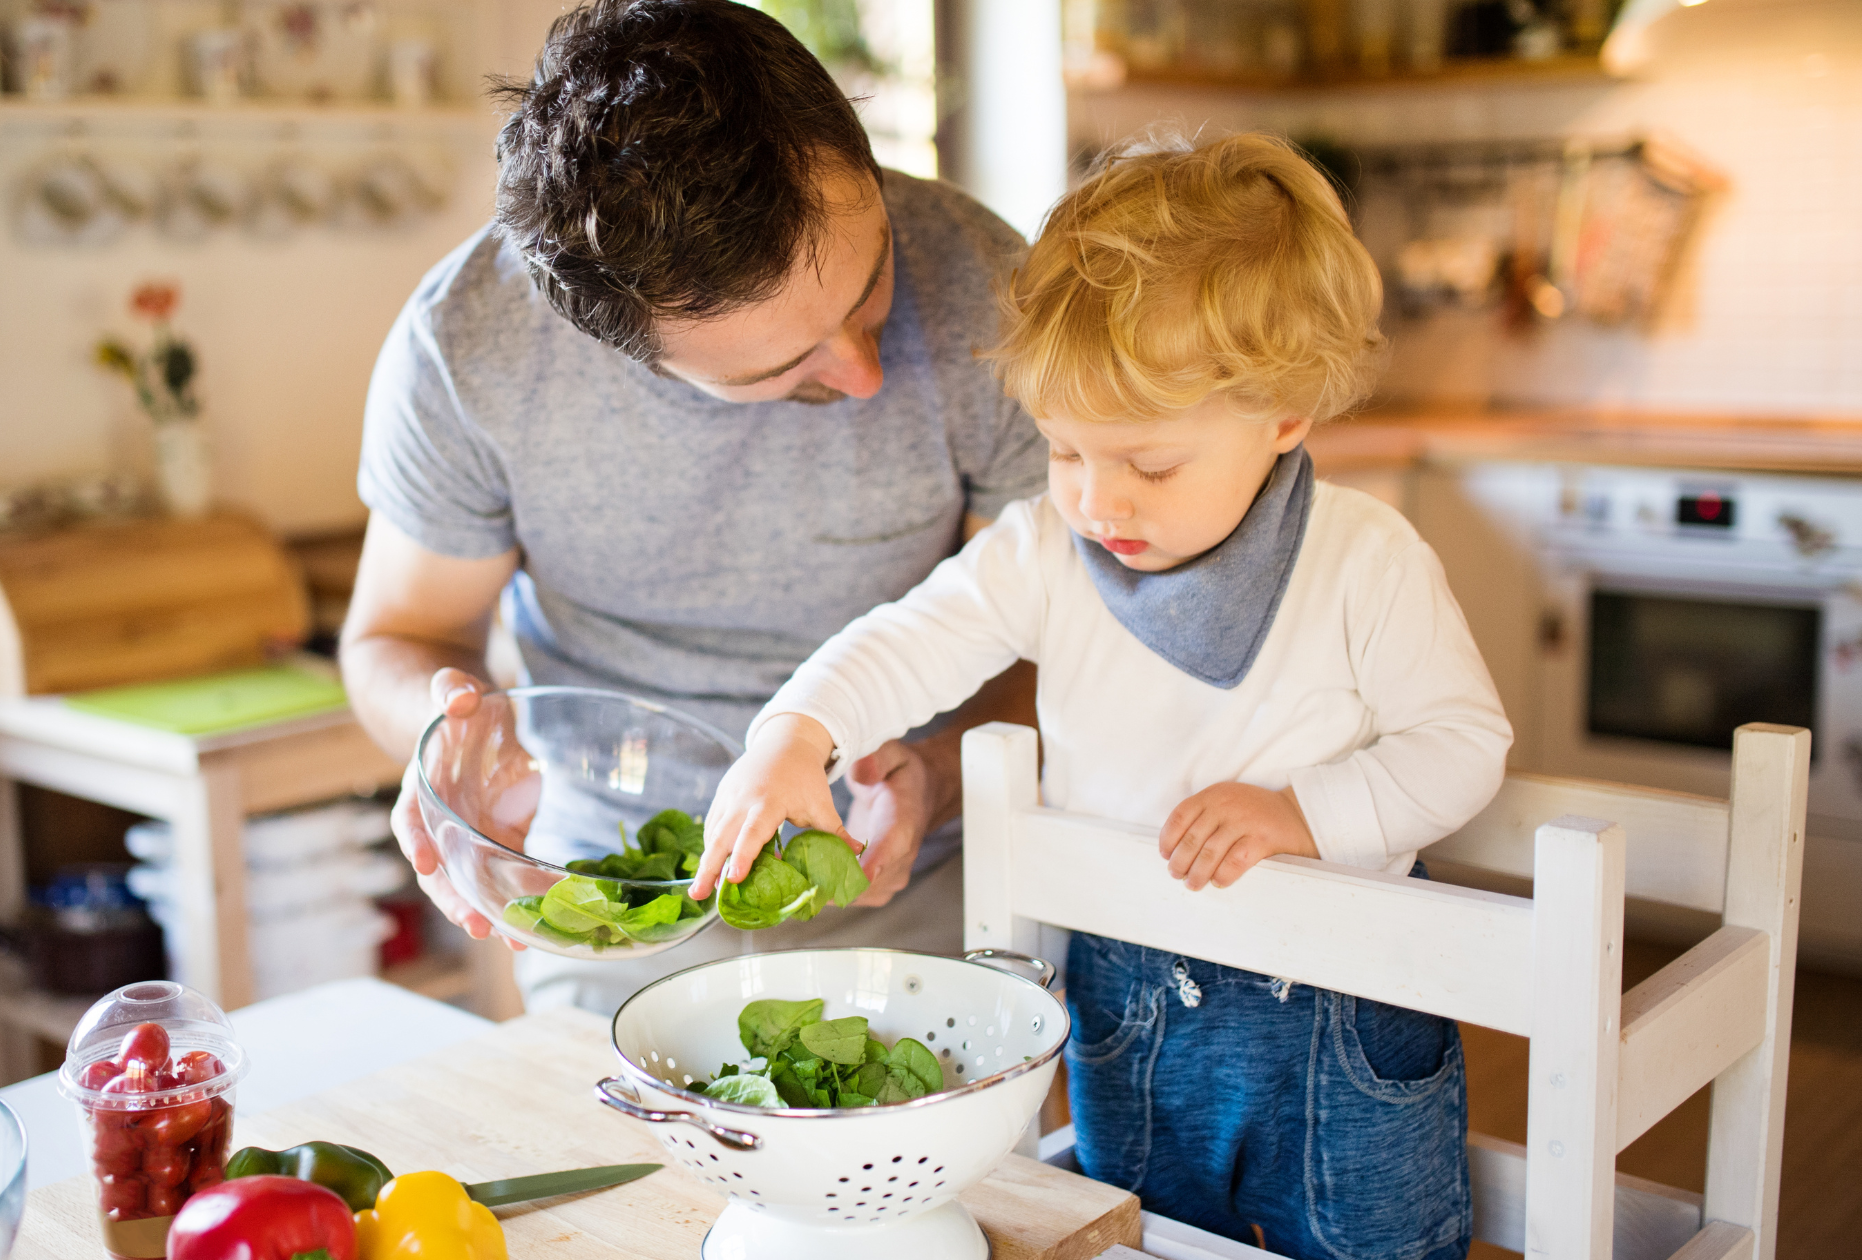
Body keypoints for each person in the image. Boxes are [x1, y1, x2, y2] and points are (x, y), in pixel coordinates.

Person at [695, 132, 1512, 1260]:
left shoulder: (1364, 559)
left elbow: (1462, 745)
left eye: (1148, 463)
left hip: (1338, 1001)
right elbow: (908, 640)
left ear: (1282, 416)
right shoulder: (1043, 549)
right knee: (1136, 1236)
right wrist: (796, 735)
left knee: (1372, 1240)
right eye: (1063, 451)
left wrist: (1302, 815)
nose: (1095, 498)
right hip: (1126, 989)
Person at [338, 0, 1044, 1015]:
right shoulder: (468, 347)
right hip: (612, 906)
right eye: (785, 364)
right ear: (622, 348)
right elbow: (399, 635)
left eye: (871, 283)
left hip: (930, 896)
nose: (860, 374)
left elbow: (1058, 632)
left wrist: (935, 770)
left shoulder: (989, 287)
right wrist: (445, 735)